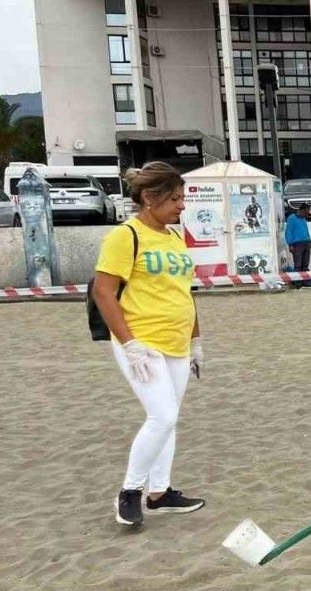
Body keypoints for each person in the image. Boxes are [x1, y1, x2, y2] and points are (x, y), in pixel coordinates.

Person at [92, 161, 205, 526]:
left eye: (182, 198)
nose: (181, 206)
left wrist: (196, 340)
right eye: (174, 199)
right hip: (142, 341)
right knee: (162, 415)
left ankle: (159, 493)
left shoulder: (174, 238)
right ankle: (129, 492)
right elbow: (103, 292)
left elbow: (184, 292)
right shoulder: (125, 236)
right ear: (148, 198)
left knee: (168, 420)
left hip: (177, 341)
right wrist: (129, 344)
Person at [285, 204, 311, 289]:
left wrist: (310, 241)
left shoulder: (303, 219)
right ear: (302, 210)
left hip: (306, 243)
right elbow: (288, 232)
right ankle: (298, 283)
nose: (307, 215)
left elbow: (306, 230)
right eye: (306, 213)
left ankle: (305, 281)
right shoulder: (291, 218)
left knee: (305, 264)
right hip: (297, 244)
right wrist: (290, 244)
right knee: (298, 264)